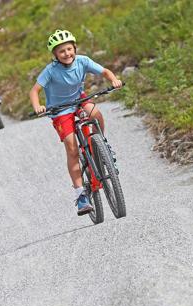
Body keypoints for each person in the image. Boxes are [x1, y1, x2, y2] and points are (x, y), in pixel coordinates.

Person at [30, 29, 122, 216]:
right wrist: (38, 105)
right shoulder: (50, 71)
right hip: (59, 109)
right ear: (55, 54)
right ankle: (81, 195)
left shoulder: (82, 61)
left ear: (74, 48)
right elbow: (34, 90)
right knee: (72, 148)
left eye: (69, 49)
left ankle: (101, 145)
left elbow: (104, 71)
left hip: (79, 99)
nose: (67, 54)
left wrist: (114, 79)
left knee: (95, 114)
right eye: (61, 51)